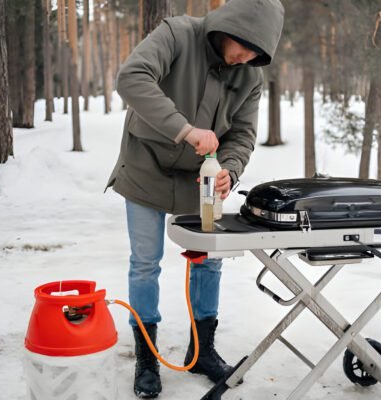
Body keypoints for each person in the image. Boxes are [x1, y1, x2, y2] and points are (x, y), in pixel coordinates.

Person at [104, 0, 284, 397]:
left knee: (209, 263)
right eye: (244, 45)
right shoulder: (176, 34)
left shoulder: (250, 76)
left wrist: (230, 171)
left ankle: (202, 349)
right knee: (145, 263)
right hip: (144, 167)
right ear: (228, 25)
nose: (246, 56)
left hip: (201, 181)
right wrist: (185, 130)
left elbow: (242, 134)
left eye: (257, 52)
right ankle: (147, 356)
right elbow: (132, 78)